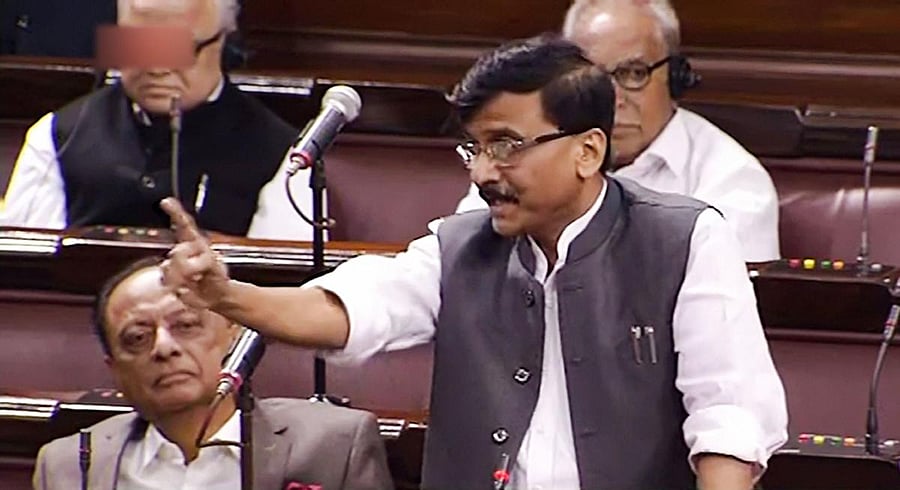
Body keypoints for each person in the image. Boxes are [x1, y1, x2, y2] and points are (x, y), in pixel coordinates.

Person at [160, 35, 787, 489]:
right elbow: (355, 309)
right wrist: (227, 296)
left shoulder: (686, 239)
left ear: (587, 151)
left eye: (506, 146)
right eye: (476, 149)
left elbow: (729, 415)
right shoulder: (462, 246)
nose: (484, 172)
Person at [455, 0, 781, 263]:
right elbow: (464, 261)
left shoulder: (734, 183)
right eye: (593, 78)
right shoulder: (521, 160)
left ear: (675, 76)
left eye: (633, 73)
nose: (612, 98)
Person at [32, 255, 393, 490]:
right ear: (114, 369)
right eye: (137, 338)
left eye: (186, 325)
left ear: (231, 334)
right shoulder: (69, 466)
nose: (164, 348)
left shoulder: (333, 445)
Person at [0, 0, 312, 240]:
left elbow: (281, 284)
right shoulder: (59, 135)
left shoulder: (283, 154)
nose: (157, 68)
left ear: (220, 43)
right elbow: (24, 265)